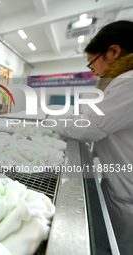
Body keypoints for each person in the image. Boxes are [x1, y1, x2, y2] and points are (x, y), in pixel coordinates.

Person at [47, 20, 133, 255]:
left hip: (127, 192)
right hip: (122, 183)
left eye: (92, 62)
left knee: (124, 245)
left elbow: (91, 126)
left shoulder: (128, 81)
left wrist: (53, 119)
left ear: (113, 51)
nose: (91, 70)